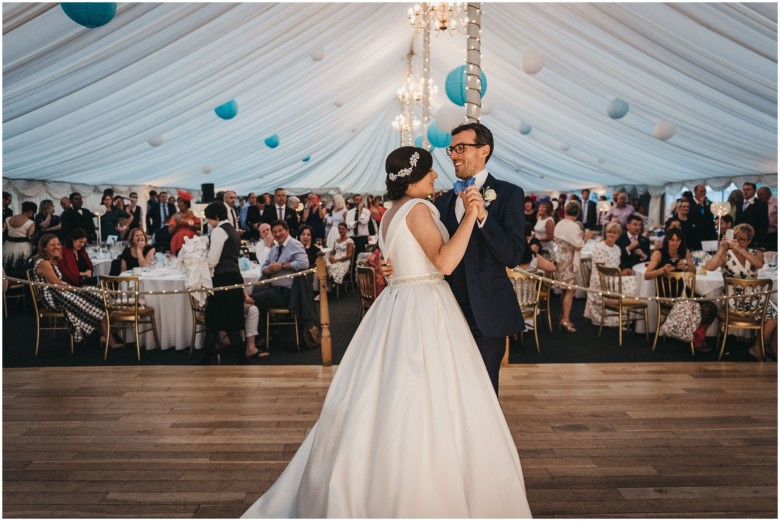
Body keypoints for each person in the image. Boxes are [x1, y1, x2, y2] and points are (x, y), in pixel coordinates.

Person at [242, 146, 531, 518]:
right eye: (429, 174)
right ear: (413, 178)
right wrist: (472, 215)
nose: (435, 178)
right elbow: (443, 261)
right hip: (425, 302)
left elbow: (403, 257)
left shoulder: (391, 213)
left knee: (390, 389)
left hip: (398, 301)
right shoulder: (421, 209)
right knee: (432, 391)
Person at [432, 122, 526, 395]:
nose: (453, 155)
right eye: (452, 149)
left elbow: (513, 255)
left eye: (461, 148)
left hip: (488, 311)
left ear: (484, 150)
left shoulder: (509, 194)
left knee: (483, 389)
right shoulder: (442, 202)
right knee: (449, 386)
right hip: (446, 310)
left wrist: (484, 216)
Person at [32, 233, 120, 347]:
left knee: (99, 294)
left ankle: (106, 335)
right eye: (52, 245)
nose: (57, 247)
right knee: (97, 296)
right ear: (44, 247)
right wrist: (77, 289)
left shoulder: (51, 260)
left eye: (58, 244)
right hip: (54, 298)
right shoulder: (44, 263)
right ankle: (108, 336)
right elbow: (58, 285)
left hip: (59, 292)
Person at [705, 223, 777, 361]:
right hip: (733, 301)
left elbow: (759, 264)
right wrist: (721, 250)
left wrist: (742, 250)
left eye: (742, 239)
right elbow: (709, 267)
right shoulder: (726, 255)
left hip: (754, 300)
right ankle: (762, 347)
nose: (737, 242)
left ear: (749, 240)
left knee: (775, 316)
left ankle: (760, 347)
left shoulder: (757, 253)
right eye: (736, 238)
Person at [196, 201, 249, 365]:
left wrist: (198, 259)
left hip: (223, 278)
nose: (209, 223)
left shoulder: (219, 231)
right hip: (234, 276)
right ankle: (238, 358)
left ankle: (239, 359)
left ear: (217, 217)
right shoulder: (232, 230)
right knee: (228, 321)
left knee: (215, 321)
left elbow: (212, 261)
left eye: (209, 219)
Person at [251, 220, 309, 348]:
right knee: (251, 294)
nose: (277, 234)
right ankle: (269, 330)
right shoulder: (276, 247)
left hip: (287, 292)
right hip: (273, 288)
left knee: (252, 300)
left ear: (287, 231)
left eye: (280, 231)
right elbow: (264, 264)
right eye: (275, 232)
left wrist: (282, 266)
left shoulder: (295, 244)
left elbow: (304, 264)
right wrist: (267, 269)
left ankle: (263, 335)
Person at [584, 222, 638, 326]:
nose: (611, 235)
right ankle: (624, 312)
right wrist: (621, 274)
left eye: (614, 233)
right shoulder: (599, 247)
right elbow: (601, 268)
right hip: (601, 278)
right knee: (632, 281)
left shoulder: (617, 248)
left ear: (618, 235)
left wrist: (623, 272)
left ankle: (630, 312)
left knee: (634, 279)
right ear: (606, 233)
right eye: (609, 232)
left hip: (614, 276)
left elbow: (615, 265)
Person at [554, 201, 596, 333]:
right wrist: (587, 237)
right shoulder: (574, 226)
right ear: (578, 213)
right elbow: (578, 245)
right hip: (569, 262)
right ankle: (565, 320)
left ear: (565, 211)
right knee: (570, 292)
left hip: (560, 260)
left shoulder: (560, 224)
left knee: (564, 290)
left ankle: (563, 315)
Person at [3, 201, 37, 276]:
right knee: (20, 266)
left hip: (8, 245)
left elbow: (2, 230)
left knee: (7, 264)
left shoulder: (8, 219)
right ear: (31, 211)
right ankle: (19, 283)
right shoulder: (30, 222)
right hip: (23, 247)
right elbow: (31, 237)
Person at [735, 182, 768, 247]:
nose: (745, 192)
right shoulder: (739, 202)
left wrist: (757, 239)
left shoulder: (761, 204)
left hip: (752, 238)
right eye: (744, 190)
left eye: (748, 189)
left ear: (754, 191)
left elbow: (764, 223)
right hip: (738, 238)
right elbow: (737, 220)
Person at [326, 222, 354, 287]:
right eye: (340, 229)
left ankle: (333, 279)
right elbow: (333, 252)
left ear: (346, 230)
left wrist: (337, 260)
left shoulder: (349, 241)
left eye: (343, 229)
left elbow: (349, 255)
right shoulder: (336, 240)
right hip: (335, 259)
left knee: (334, 266)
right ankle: (331, 279)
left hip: (344, 261)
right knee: (324, 262)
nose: (341, 230)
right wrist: (332, 257)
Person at [346, 193, 371, 257]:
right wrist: (358, 222)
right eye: (356, 200)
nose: (358, 201)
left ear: (362, 201)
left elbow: (364, 221)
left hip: (363, 238)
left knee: (362, 257)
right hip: (352, 237)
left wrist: (360, 212)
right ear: (354, 201)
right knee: (352, 257)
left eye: (360, 200)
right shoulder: (349, 212)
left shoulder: (366, 211)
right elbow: (348, 225)